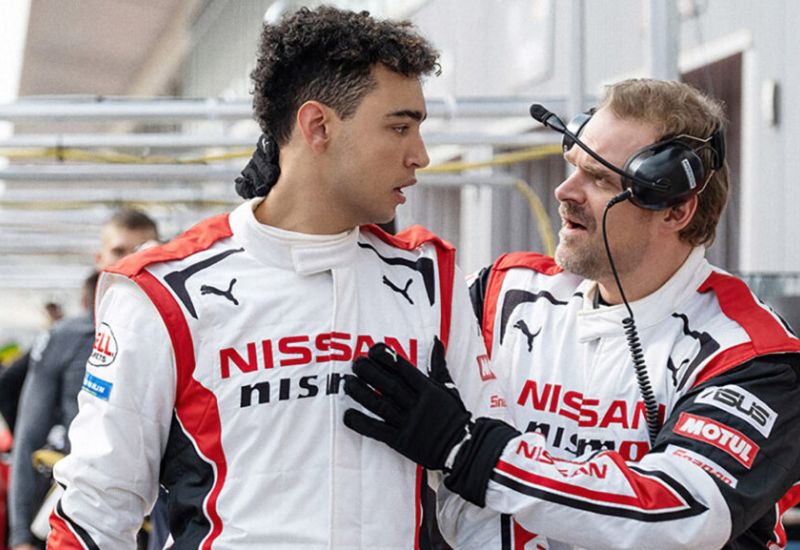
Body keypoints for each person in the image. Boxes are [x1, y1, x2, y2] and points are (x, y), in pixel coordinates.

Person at [48, 7, 503, 549]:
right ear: (318, 126)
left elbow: (482, 505)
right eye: (400, 127)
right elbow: (96, 508)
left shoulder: (430, 279)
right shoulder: (165, 290)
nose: (420, 156)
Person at [344, 79, 800, 549]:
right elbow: (359, 327)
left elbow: (679, 513)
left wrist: (469, 451)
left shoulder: (751, 354)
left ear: (675, 211)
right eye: (574, 166)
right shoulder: (505, 295)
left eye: (600, 178)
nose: (564, 190)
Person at [9, 209, 158, 550]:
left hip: (155, 518)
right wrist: (20, 536)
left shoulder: (179, 333)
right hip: (79, 511)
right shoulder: (64, 337)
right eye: (119, 251)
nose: (131, 260)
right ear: (100, 258)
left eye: (142, 249)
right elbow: (29, 435)